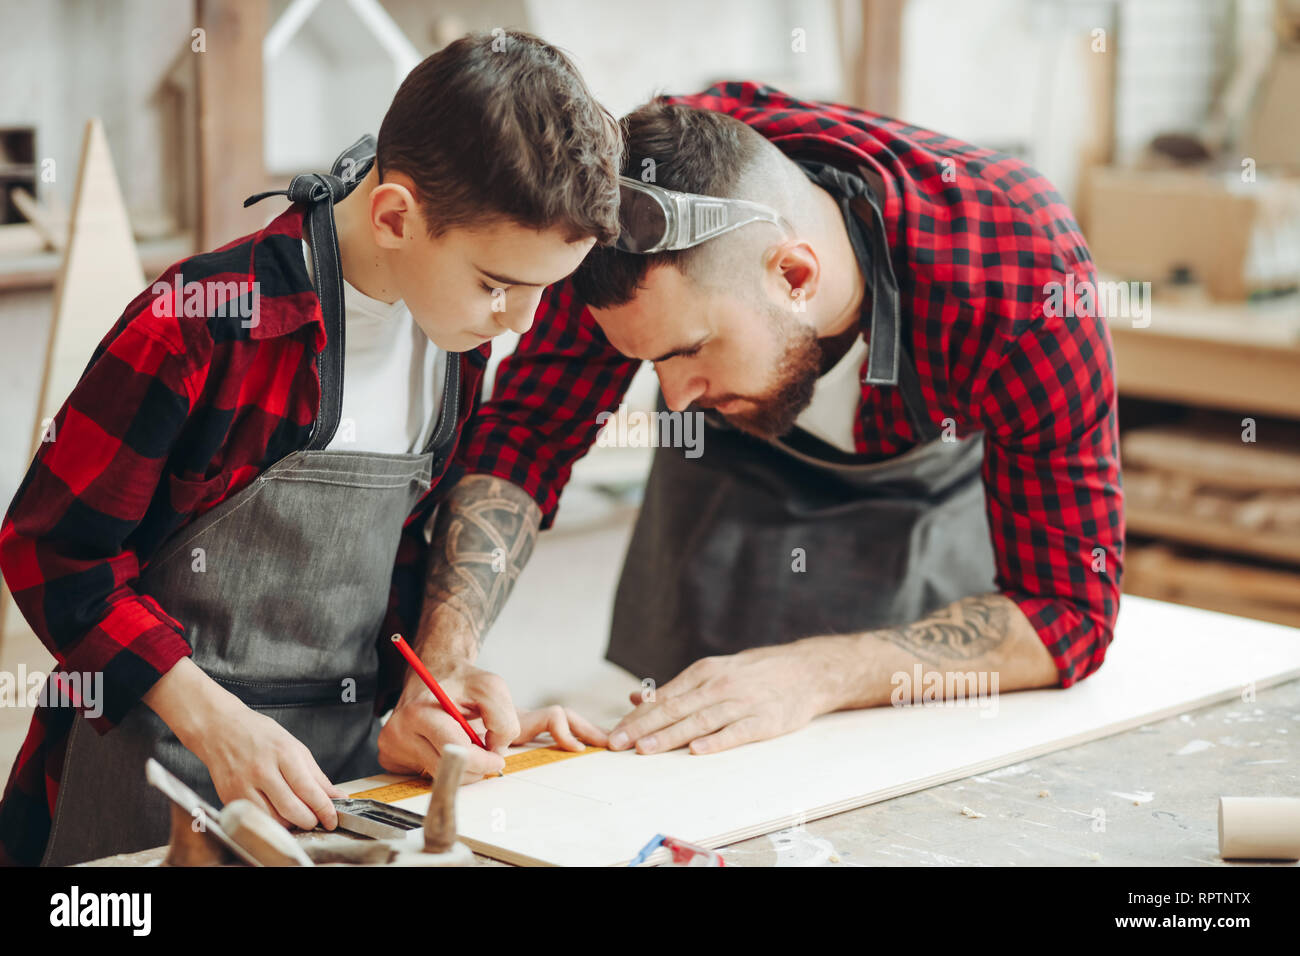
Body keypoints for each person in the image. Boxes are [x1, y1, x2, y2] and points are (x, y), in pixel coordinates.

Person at [0, 31, 621, 866]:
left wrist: (425, 702)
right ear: (396, 215)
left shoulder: (452, 339)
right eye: (499, 285)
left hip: (339, 787)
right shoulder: (201, 321)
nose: (521, 322)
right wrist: (214, 722)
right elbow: (51, 551)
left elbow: (390, 561)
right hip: (153, 773)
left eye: (546, 290)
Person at [455, 81, 1124, 758]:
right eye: (650, 362)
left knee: (875, 764)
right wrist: (449, 652)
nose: (675, 400)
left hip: (913, 518)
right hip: (728, 490)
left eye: (690, 350)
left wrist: (815, 674)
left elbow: (1069, 614)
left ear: (796, 276)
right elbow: (529, 431)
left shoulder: (1024, 281)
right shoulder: (631, 205)